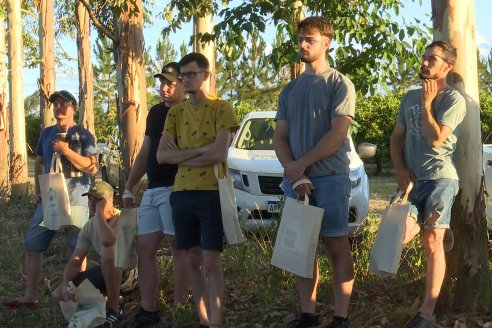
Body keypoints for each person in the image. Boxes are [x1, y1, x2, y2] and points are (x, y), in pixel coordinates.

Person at [273, 17, 356, 328]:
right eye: (301, 39)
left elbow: (338, 134)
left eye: (310, 39)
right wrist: (293, 171)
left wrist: (301, 165)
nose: (303, 44)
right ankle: (307, 315)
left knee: (337, 246)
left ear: (327, 43)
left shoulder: (339, 84)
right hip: (297, 181)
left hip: (331, 178)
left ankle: (340, 317)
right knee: (301, 248)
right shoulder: (290, 89)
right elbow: (280, 136)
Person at [156, 52, 239, 328]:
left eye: (191, 74)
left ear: (206, 74)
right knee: (192, 259)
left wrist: (184, 153)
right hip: (181, 193)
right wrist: (201, 151)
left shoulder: (221, 108)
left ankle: (216, 320)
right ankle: (202, 319)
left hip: (211, 191)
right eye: (183, 75)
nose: (186, 80)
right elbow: (162, 157)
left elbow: (219, 153)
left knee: (211, 258)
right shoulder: (175, 111)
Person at [390, 40, 465, 328]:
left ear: (448, 66)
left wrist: (426, 104)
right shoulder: (408, 97)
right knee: (396, 235)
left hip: (441, 179)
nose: (424, 62)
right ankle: (437, 227)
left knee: (431, 242)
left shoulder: (453, 100)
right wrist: (399, 168)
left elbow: (436, 139)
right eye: (423, 57)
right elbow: (397, 138)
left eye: (432, 59)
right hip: (411, 181)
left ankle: (426, 312)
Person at [1, 90, 98, 310]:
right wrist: (38, 188)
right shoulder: (47, 133)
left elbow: (92, 167)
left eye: (64, 104)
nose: (59, 107)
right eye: (55, 104)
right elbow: (41, 161)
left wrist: (66, 151)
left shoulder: (83, 135)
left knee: (78, 249)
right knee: (32, 244)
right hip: (51, 200)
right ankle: (30, 296)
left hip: (76, 199)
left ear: (73, 108)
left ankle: (77, 296)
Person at [122, 62, 190, 326]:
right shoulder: (154, 113)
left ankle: (180, 307)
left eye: (170, 83)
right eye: (162, 82)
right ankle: (148, 309)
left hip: (178, 188)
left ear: (183, 85)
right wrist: (130, 186)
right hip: (153, 189)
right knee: (144, 247)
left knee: (178, 250)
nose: (164, 88)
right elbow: (145, 152)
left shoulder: (189, 111)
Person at [52, 180, 137, 328]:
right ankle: (98, 311)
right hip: (109, 271)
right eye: (89, 199)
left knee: (108, 252)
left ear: (111, 199)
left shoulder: (125, 217)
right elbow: (75, 262)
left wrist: (99, 212)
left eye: (98, 199)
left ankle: (114, 309)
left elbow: (107, 241)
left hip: (132, 272)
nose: (92, 203)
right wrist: (66, 284)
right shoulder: (89, 226)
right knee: (58, 295)